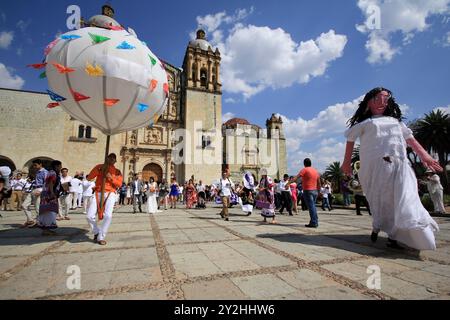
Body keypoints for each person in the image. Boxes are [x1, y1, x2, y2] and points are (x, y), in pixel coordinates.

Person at [342, 87, 440, 250]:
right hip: (376, 168)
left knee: (407, 198)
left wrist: (425, 156)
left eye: (385, 99)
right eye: (377, 99)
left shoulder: (397, 123)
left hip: (400, 166)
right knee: (383, 201)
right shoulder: (365, 124)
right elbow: (350, 140)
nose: (381, 102)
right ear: (368, 103)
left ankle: (415, 232)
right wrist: (346, 163)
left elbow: (410, 139)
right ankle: (381, 227)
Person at [86, 153, 123, 245]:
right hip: (98, 192)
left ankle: (101, 237)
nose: (111, 160)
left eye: (113, 159)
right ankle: (96, 232)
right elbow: (90, 177)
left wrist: (110, 178)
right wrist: (99, 170)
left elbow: (119, 184)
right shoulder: (99, 167)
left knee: (108, 216)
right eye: (109, 158)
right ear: (106, 158)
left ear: (115, 161)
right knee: (89, 215)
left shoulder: (117, 171)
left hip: (110, 192)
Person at [291, 158, 321, 228]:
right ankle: (314, 221)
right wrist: (319, 191)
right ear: (311, 163)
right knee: (313, 206)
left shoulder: (305, 169)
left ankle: (314, 222)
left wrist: (288, 183)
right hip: (315, 191)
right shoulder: (315, 171)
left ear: (304, 164)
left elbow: (296, 177)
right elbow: (319, 182)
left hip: (308, 190)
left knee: (311, 207)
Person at [37, 160, 62, 235]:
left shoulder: (52, 172)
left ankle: (46, 229)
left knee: (48, 210)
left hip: (47, 194)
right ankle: (47, 229)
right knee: (50, 211)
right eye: (60, 166)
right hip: (49, 194)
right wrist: (52, 193)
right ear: (56, 166)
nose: (61, 167)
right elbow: (51, 182)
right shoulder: (52, 172)